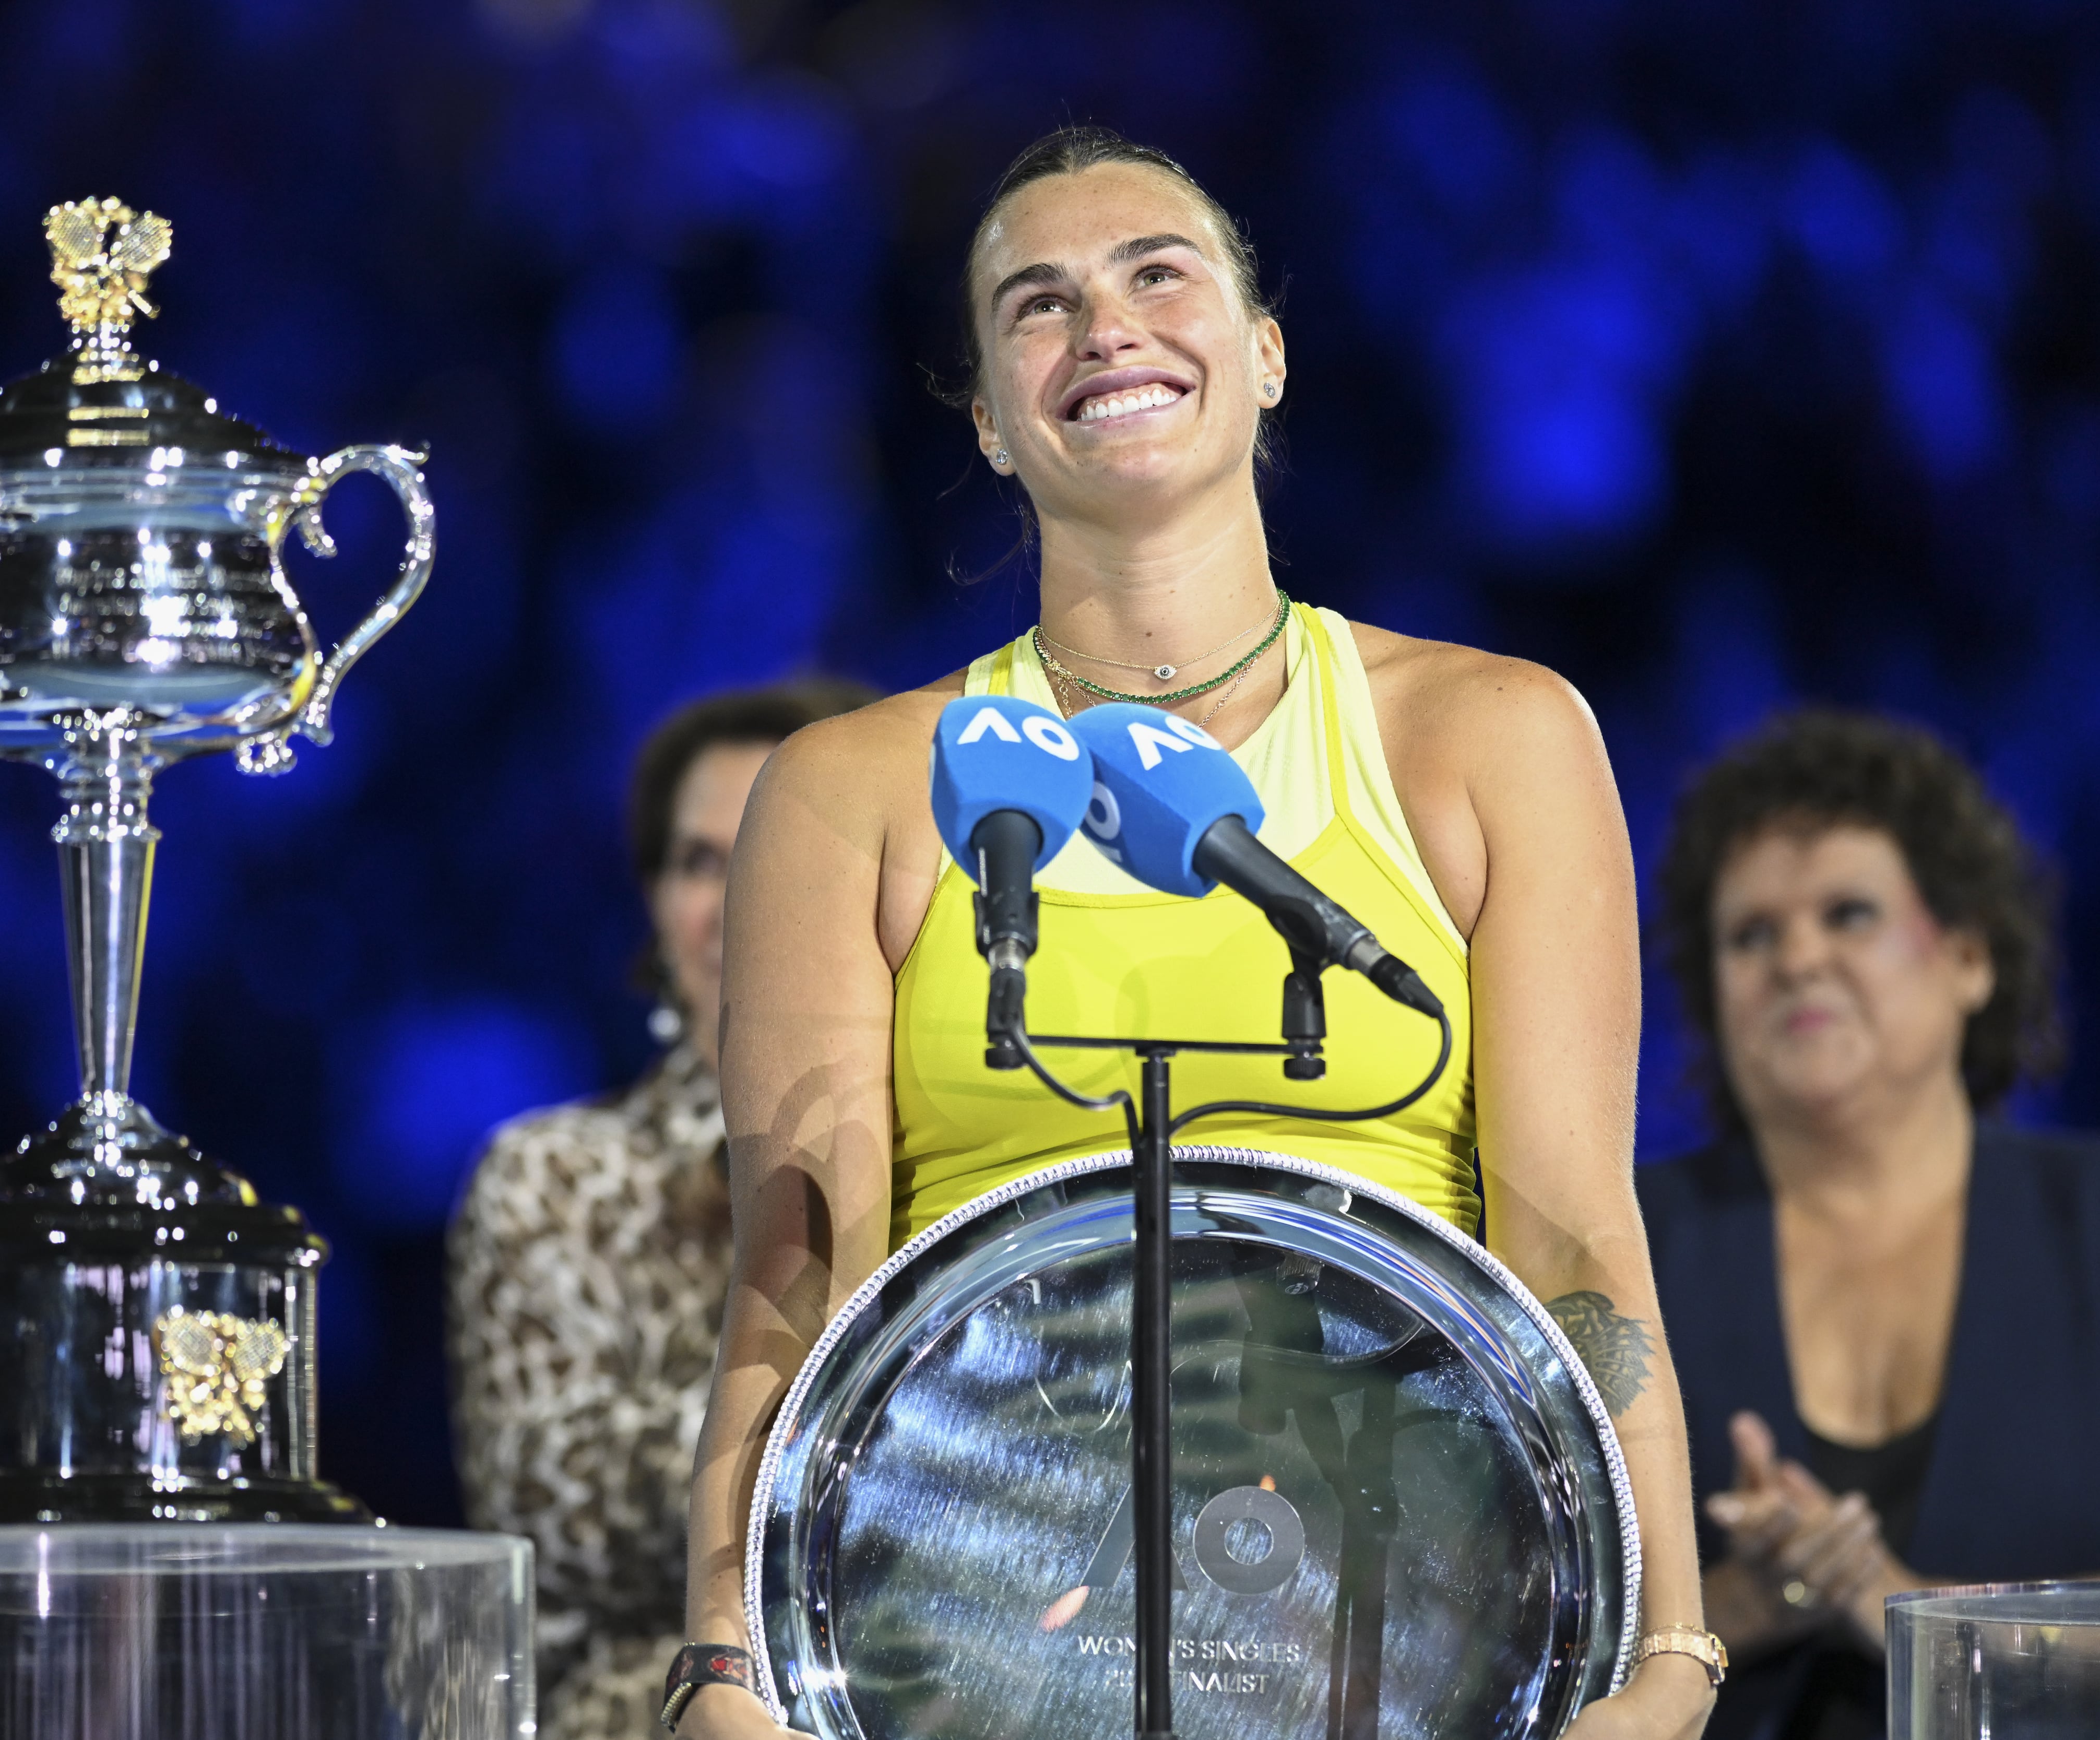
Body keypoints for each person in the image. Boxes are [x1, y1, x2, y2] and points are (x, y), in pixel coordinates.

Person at [671, 125, 1716, 1739]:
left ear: (1267, 354)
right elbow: (797, 1281)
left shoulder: (1490, 738)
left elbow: (1575, 1233)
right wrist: (727, 1666)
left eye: (1158, 273)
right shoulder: (848, 790)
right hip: (982, 1643)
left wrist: (1670, 1656)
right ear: (992, 427)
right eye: (1039, 303)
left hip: (1403, 1631)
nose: (1105, 327)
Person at [1640, 709, 2100, 1740]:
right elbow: (1503, 1628)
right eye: (1749, 934)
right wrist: (1760, 1596)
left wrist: (1905, 1606)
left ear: (1970, 956)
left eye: (1847, 913)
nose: (1796, 957)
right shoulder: (1624, 1245)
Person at [447, 678, 875, 1740]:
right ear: (651, 903)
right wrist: (884, 1451)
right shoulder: (552, 1176)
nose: (735, 901)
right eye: (699, 862)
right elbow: (559, 1503)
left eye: (777, 852)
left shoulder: (962, 1167)